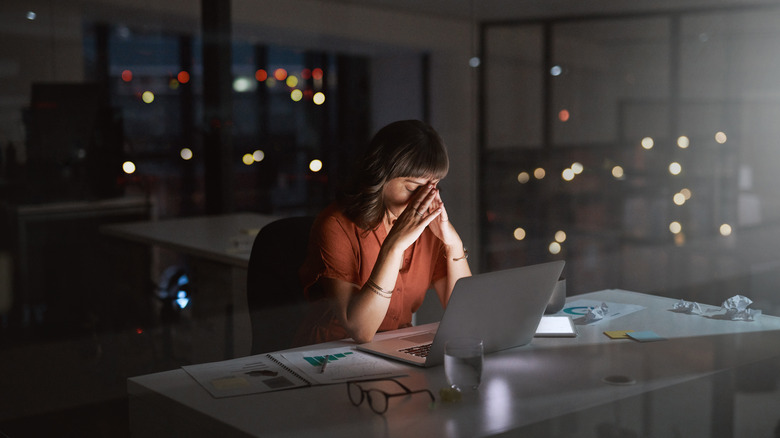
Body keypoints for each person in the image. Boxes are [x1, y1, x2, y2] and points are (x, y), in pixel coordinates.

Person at [293, 120, 472, 346]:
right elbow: (361, 330)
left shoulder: (428, 229)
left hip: (393, 348)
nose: (423, 198)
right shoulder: (335, 225)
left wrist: (453, 243)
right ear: (381, 175)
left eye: (433, 186)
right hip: (330, 353)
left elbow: (467, 314)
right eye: (413, 187)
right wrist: (394, 246)